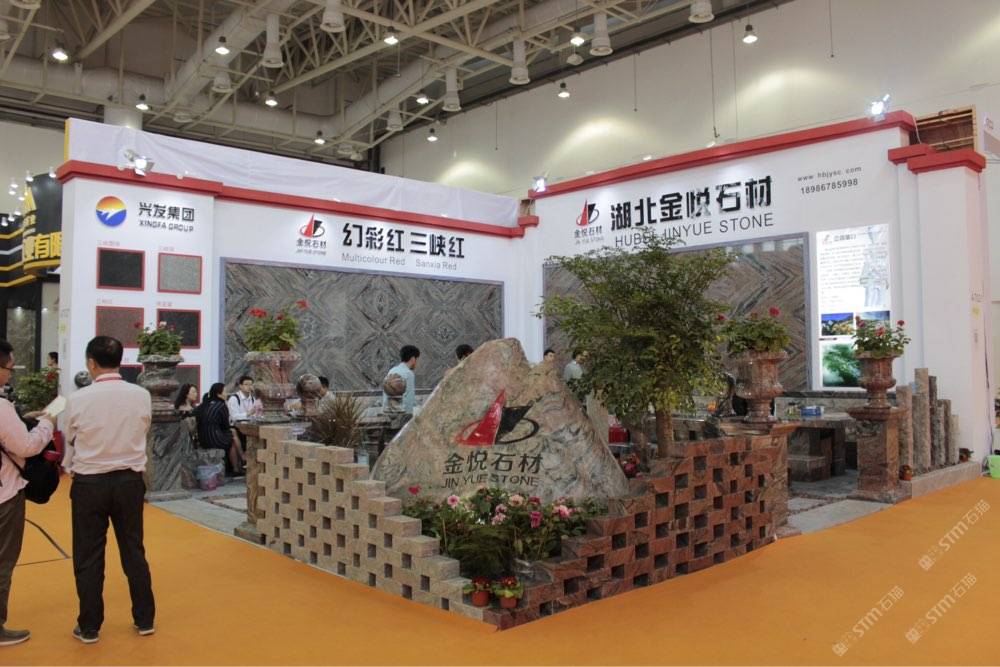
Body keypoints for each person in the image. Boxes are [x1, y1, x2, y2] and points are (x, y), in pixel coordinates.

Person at [63, 336, 155, 644]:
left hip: (90, 483)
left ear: (91, 363)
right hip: (129, 481)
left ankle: (89, 626)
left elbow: (71, 438)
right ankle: (145, 619)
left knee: (88, 555)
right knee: (133, 550)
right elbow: (143, 429)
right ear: (120, 360)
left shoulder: (78, 399)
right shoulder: (141, 395)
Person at [0, 339, 56, 646]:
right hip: (4, 496)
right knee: (3, 560)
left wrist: (22, 420)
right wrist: (47, 422)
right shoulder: (1, 407)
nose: (10, 373)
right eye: (9, 367)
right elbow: (26, 446)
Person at [197, 383, 244, 474]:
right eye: (225, 392)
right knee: (232, 438)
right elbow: (225, 426)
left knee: (232, 433)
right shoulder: (221, 405)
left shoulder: (205, 404)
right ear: (218, 394)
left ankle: (239, 464)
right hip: (214, 439)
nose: (227, 394)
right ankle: (239, 463)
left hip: (203, 439)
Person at [381, 345, 419, 414]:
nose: (417, 363)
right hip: (402, 414)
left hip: (389, 411)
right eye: (417, 360)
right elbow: (409, 399)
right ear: (413, 359)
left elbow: (386, 397)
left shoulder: (392, 370)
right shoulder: (409, 374)